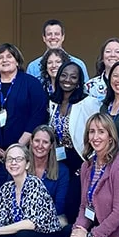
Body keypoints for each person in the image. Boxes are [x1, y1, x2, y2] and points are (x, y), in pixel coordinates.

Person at [0, 43, 47, 217]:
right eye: (0, 57)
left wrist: (18, 146)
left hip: (22, 153)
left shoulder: (31, 84)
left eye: (9, 56)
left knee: (21, 197)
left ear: (17, 61)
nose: (5, 60)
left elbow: (38, 115)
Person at [47, 61, 97, 225]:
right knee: (58, 202)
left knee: (73, 203)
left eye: (73, 77)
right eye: (64, 75)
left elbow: (98, 132)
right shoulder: (53, 102)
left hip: (80, 160)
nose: (67, 80)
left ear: (79, 81)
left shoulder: (88, 102)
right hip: (59, 161)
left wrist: (91, 160)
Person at [84, 38, 119, 104]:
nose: (113, 55)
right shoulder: (90, 86)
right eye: (108, 51)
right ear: (102, 57)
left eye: (118, 52)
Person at [29, 125, 68, 219]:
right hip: (22, 219)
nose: (40, 146)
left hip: (49, 219)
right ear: (31, 142)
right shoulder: (21, 166)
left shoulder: (62, 171)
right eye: (37, 141)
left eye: (45, 142)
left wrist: (35, 218)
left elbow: (59, 206)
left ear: (51, 146)